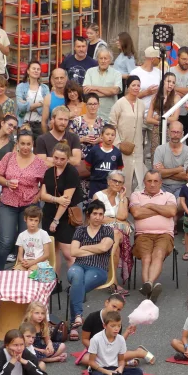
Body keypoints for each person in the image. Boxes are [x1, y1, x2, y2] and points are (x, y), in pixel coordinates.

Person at [0, 130, 47, 270]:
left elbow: (45, 182)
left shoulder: (39, 162)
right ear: (17, 144)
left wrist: (37, 197)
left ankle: (22, 275)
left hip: (29, 205)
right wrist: (7, 183)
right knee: (5, 241)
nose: (25, 147)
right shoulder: (9, 157)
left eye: (29, 144)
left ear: (33, 144)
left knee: (27, 242)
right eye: (23, 144)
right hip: (8, 203)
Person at [129, 170, 178, 302]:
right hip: (143, 235)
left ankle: (148, 285)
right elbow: (137, 214)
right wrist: (161, 211)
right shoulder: (136, 195)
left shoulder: (169, 196)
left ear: (161, 182)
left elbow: (172, 211)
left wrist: (150, 205)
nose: (152, 184)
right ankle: (150, 287)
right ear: (144, 182)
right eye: (149, 181)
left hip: (164, 235)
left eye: (155, 181)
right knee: (146, 257)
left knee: (159, 253)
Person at [67, 199, 114, 331]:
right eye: (95, 213)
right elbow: (73, 251)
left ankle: (74, 325)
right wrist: (96, 248)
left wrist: (85, 247)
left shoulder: (107, 230)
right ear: (88, 214)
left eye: (100, 214)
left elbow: (104, 248)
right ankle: (77, 317)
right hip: (79, 266)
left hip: (98, 269)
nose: (98, 217)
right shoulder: (80, 230)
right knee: (77, 277)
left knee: (75, 288)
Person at [77, 292, 154, 367]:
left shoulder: (116, 321)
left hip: (110, 350)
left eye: (119, 309)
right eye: (113, 306)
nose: (115, 310)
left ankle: (139, 353)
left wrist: (127, 331)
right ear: (106, 303)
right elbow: (85, 339)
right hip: (95, 349)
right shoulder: (92, 317)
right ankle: (125, 363)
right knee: (85, 359)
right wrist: (97, 350)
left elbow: (118, 342)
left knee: (111, 357)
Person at [40, 142, 83, 271]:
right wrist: (57, 199)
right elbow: (42, 195)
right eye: (56, 158)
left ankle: (75, 283)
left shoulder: (71, 172)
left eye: (62, 159)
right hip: (48, 213)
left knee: (68, 253)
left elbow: (66, 201)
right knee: (52, 252)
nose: (58, 161)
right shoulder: (48, 172)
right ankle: (55, 282)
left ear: (68, 158)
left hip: (65, 217)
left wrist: (56, 220)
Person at [87, 311, 151, 375]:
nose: (116, 328)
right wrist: (107, 372)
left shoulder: (121, 339)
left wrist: (120, 368)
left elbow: (121, 360)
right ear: (105, 326)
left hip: (114, 368)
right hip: (99, 369)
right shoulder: (96, 339)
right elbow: (91, 362)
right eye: (113, 326)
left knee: (138, 373)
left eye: (119, 325)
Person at [92, 170, 132, 293]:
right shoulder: (98, 196)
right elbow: (97, 218)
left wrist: (121, 198)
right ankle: (113, 281)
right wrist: (117, 221)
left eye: (120, 182)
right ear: (109, 181)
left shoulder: (122, 198)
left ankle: (111, 280)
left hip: (118, 233)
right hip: (100, 231)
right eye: (115, 181)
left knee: (115, 233)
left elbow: (123, 216)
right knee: (115, 239)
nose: (117, 184)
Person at [108, 76, 146, 193]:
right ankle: (124, 202)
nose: (136, 88)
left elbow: (143, 123)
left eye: (138, 85)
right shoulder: (120, 103)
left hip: (138, 147)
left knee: (141, 178)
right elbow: (112, 124)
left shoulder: (141, 104)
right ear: (128, 87)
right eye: (133, 85)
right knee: (125, 178)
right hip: (123, 147)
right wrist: (118, 143)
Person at [70, 93, 106, 196]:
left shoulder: (102, 122)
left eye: (95, 104)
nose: (93, 106)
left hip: (98, 162)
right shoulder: (77, 121)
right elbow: (69, 140)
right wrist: (82, 139)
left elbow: (109, 139)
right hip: (82, 161)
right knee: (81, 192)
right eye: (90, 104)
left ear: (98, 105)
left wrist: (100, 139)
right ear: (86, 105)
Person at [153, 121, 188, 200]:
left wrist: (164, 170)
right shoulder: (160, 149)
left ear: (182, 133)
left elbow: (186, 176)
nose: (175, 135)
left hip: (181, 187)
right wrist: (179, 169)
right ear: (168, 132)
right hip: (162, 185)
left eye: (178, 132)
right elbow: (157, 173)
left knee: (179, 205)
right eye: (173, 132)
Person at [145, 72, 181, 160]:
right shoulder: (155, 97)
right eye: (169, 81)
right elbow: (148, 119)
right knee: (156, 154)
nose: (171, 84)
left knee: (169, 156)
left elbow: (175, 118)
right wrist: (161, 121)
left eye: (173, 82)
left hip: (170, 130)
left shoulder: (176, 97)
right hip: (157, 130)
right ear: (163, 82)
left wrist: (158, 118)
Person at [84, 123, 123, 198]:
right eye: (107, 134)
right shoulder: (95, 150)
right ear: (101, 135)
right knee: (96, 205)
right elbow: (88, 166)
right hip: (96, 183)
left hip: (110, 185)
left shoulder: (117, 152)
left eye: (112, 135)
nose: (110, 137)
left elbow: (119, 169)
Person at [82, 48, 122, 121]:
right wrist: (109, 92)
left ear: (110, 60)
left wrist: (95, 88)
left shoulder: (117, 74)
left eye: (105, 58)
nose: (103, 61)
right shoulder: (90, 72)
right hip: (92, 116)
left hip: (110, 115)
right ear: (97, 59)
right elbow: (86, 91)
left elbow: (115, 91)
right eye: (101, 58)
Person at [169, 46, 188, 135]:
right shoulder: (170, 71)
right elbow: (168, 90)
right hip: (173, 111)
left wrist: (176, 88)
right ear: (178, 58)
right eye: (184, 59)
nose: (186, 62)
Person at [14, 205, 51, 271]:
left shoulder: (43, 234)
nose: (33, 223)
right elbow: (20, 255)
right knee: (16, 272)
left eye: (36, 221)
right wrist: (23, 261)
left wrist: (32, 263)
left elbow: (46, 254)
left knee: (31, 272)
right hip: (26, 262)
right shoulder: (21, 235)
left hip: (40, 263)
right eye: (31, 220)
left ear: (39, 221)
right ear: (25, 219)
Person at [15, 60, 48, 133]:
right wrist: (40, 104)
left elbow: (47, 109)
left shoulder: (45, 88)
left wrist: (26, 104)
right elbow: (21, 107)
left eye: (38, 69)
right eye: (34, 68)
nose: (36, 71)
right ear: (28, 71)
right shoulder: (20, 87)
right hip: (24, 124)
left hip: (39, 124)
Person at [40, 67, 67, 133]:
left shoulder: (72, 95)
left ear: (66, 78)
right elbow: (44, 122)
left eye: (62, 78)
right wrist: (46, 138)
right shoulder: (48, 98)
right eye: (56, 78)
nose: (59, 80)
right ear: (52, 80)